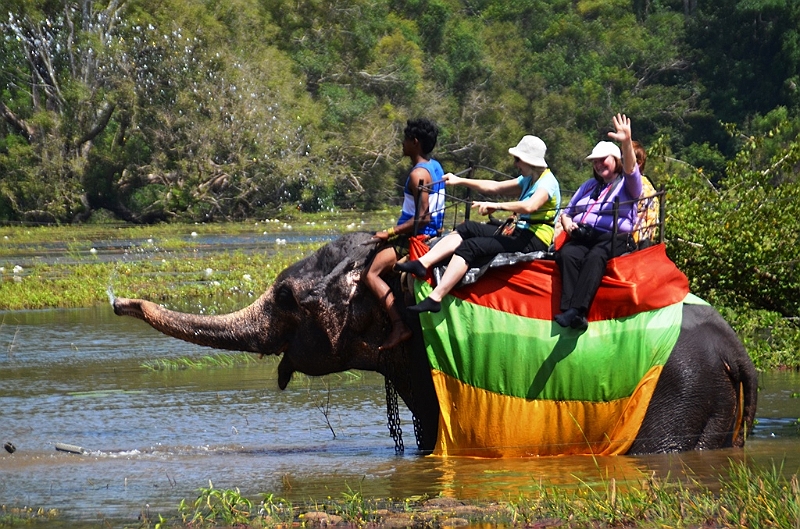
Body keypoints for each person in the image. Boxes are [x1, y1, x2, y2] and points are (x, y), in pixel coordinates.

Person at [395, 135, 561, 313]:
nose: (515, 164)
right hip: (519, 231)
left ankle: (436, 297)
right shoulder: (529, 179)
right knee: (467, 228)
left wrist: (496, 206)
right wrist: (460, 180)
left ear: (529, 161)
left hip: (534, 238)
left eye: (517, 159)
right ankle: (423, 263)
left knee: (470, 247)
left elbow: (530, 206)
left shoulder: (547, 183)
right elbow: (495, 187)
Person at [364, 118, 446, 350]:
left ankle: (399, 326)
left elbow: (423, 217)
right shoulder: (435, 166)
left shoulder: (417, 175)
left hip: (415, 237)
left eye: (406, 139)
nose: (403, 144)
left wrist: (388, 233)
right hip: (431, 231)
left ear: (415, 142)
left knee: (370, 274)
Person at [554, 113, 642, 330]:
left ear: (616, 160)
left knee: (595, 257)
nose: (598, 164)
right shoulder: (589, 186)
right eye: (595, 161)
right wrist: (567, 224)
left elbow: (631, 168)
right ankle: (570, 311)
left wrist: (626, 142)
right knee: (568, 254)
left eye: (603, 159)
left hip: (615, 237)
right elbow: (567, 211)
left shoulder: (627, 184)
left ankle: (578, 310)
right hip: (586, 234)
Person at [632, 140, 660, 245]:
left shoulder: (639, 186)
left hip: (636, 239)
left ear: (639, 163)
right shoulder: (648, 182)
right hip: (647, 238)